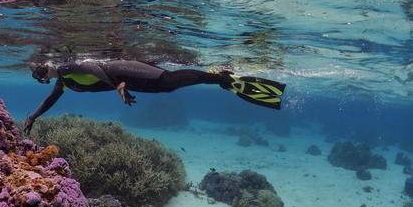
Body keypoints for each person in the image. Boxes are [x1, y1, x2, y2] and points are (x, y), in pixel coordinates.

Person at [23, 59, 286, 133]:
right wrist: (33, 117)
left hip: (120, 71)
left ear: (49, 63)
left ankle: (218, 75)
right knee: (165, 88)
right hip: (123, 82)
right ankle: (217, 76)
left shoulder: (68, 67)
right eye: (39, 75)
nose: (43, 75)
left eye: (42, 69)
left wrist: (117, 86)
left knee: (167, 81)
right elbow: (51, 100)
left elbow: (94, 68)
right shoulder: (63, 82)